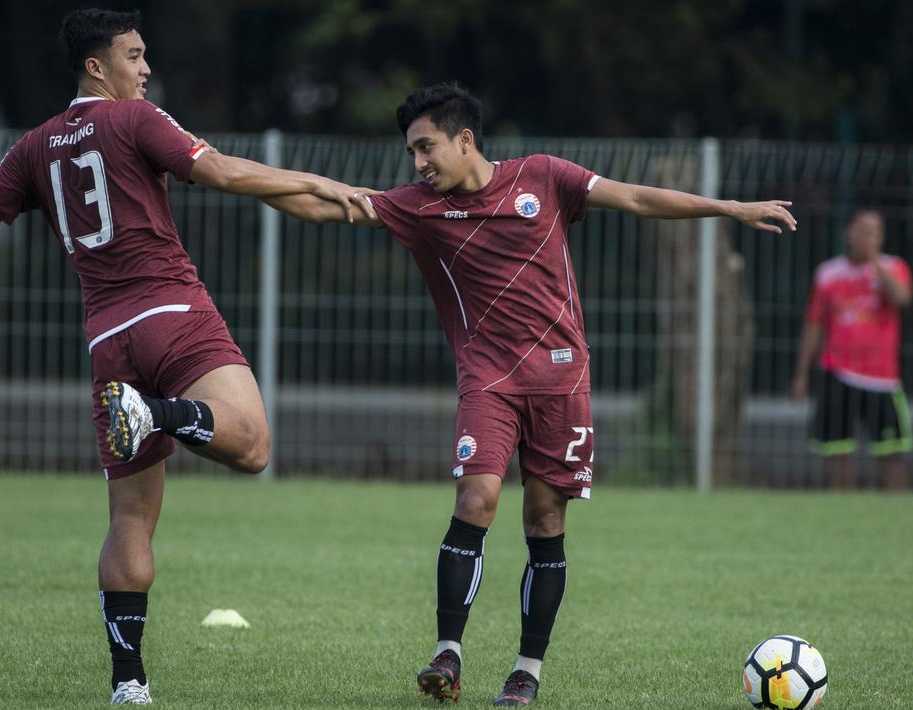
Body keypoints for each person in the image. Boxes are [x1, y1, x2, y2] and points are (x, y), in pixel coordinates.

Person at [0, 9, 369, 705]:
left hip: (108, 340)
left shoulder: (34, 146)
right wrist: (322, 183)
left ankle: (129, 684)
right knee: (254, 446)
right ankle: (159, 412)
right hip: (173, 312)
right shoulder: (137, 120)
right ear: (96, 66)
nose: (144, 69)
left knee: (130, 520)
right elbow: (225, 173)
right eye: (134, 56)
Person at [262, 82, 796, 706]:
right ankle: (449, 653)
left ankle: (527, 670)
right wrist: (232, 175)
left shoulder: (543, 177)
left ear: (465, 139)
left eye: (426, 147)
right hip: (487, 380)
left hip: (562, 381)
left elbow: (638, 199)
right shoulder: (418, 207)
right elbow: (326, 206)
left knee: (545, 518)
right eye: (411, 152)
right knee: (478, 495)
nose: (418, 164)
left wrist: (729, 208)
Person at [789, 210, 913, 489]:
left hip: (881, 377)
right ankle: (840, 510)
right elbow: (814, 325)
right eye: (861, 230)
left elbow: (902, 299)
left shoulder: (893, 267)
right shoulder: (829, 273)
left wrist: (873, 261)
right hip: (838, 371)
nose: (866, 237)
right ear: (848, 233)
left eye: (873, 232)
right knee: (837, 451)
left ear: (881, 237)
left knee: (892, 452)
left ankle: (900, 513)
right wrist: (802, 374)